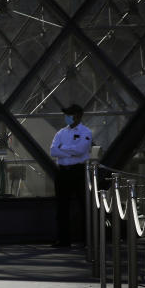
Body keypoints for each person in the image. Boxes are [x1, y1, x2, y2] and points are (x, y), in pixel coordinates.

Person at [49, 104, 93, 247]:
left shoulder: (86, 132)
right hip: (62, 172)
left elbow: (81, 150)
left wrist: (63, 148)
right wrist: (70, 150)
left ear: (78, 115)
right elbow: (53, 151)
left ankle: (87, 239)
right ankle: (64, 240)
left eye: (70, 114)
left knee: (84, 205)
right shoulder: (60, 132)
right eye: (66, 114)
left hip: (78, 171)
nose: (67, 117)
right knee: (62, 207)